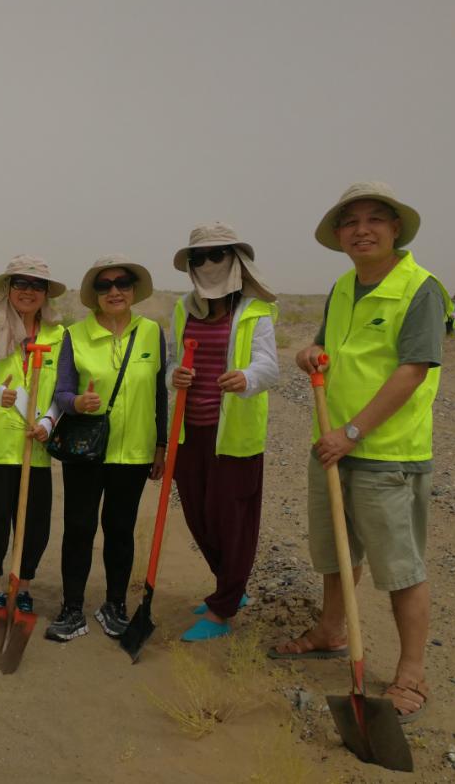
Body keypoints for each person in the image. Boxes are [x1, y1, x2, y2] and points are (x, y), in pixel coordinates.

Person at [271, 181, 448, 725]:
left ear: (395, 228)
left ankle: (412, 671)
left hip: (385, 453)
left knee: (401, 567)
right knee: (335, 551)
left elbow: (413, 371)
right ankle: (331, 629)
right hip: (332, 445)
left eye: (375, 219)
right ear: (340, 235)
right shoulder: (345, 286)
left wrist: (353, 432)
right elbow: (328, 345)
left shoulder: (420, 288)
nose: (362, 229)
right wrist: (309, 353)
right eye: (351, 222)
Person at [46, 255, 167, 641]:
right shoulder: (75, 335)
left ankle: (115, 604)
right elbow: (61, 392)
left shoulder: (152, 332)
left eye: (123, 283)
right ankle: (71, 608)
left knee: (120, 529)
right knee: (79, 528)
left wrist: (161, 444)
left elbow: (160, 394)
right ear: (94, 294)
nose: (114, 291)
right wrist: (77, 403)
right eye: (104, 285)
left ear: (133, 290)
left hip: (134, 453)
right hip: (87, 451)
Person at [168, 223, 279, 642]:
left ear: (234, 259)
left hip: (233, 436)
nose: (208, 264)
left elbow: (270, 366)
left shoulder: (254, 310)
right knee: (199, 516)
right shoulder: (183, 309)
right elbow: (174, 366)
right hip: (190, 431)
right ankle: (230, 588)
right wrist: (174, 377)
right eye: (199, 257)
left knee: (232, 519)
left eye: (217, 255)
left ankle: (223, 609)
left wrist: (246, 377)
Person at [0, 256, 66, 614]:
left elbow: (62, 390)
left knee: (35, 522)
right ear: (8, 289)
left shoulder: (59, 335)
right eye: (20, 284)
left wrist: (49, 424)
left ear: (45, 294)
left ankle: (23, 585)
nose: (28, 292)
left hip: (37, 444)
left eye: (36, 286)